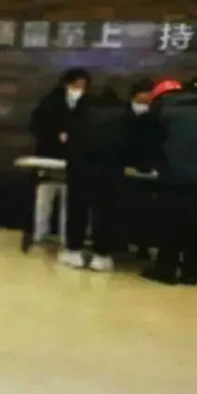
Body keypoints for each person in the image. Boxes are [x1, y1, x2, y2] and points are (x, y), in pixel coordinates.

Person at [59, 81, 128, 271]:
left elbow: (70, 139)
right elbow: (130, 143)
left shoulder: (82, 111)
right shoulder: (124, 114)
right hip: (110, 170)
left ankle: (74, 252)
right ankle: (101, 256)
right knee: (106, 213)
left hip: (80, 168)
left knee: (77, 210)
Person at [142, 79, 197, 285]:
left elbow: (150, 145)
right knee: (194, 225)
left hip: (173, 176)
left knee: (170, 224)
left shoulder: (162, 112)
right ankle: (192, 272)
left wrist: (153, 166)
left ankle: (165, 269)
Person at [27, 69, 91, 243]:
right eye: (76, 85)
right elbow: (35, 126)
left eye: (83, 86)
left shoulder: (86, 105)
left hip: (74, 158)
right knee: (44, 198)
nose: (79, 90)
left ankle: (66, 236)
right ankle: (40, 233)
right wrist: (55, 135)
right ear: (67, 84)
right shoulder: (50, 101)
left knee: (68, 201)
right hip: (49, 155)